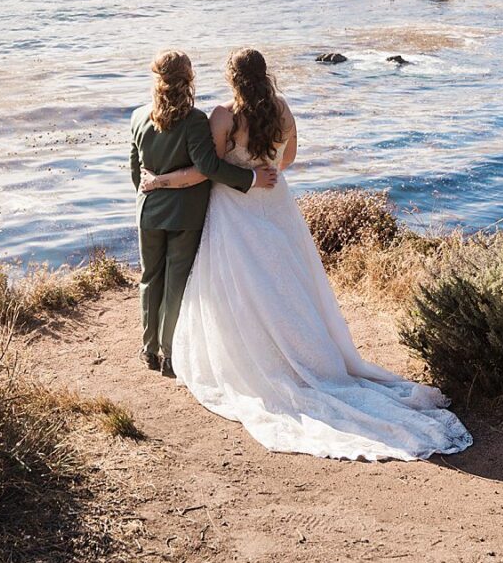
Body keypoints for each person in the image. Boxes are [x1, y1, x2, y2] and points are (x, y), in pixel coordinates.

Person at [139, 48, 471, 461]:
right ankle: (306, 352)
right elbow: (289, 158)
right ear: (264, 74)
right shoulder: (282, 109)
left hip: (235, 208)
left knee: (240, 282)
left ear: (231, 78)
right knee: (286, 280)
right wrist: (265, 170)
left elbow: (213, 166)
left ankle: (248, 354)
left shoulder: (223, 115)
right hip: (276, 201)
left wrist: (238, 175)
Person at [128, 50, 278, 377]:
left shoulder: (138, 117)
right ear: (188, 79)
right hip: (186, 214)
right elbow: (209, 167)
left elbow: (135, 171)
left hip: (148, 212)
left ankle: (148, 349)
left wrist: (151, 194)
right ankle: (169, 354)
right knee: (175, 282)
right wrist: (252, 179)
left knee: (149, 278)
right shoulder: (195, 121)